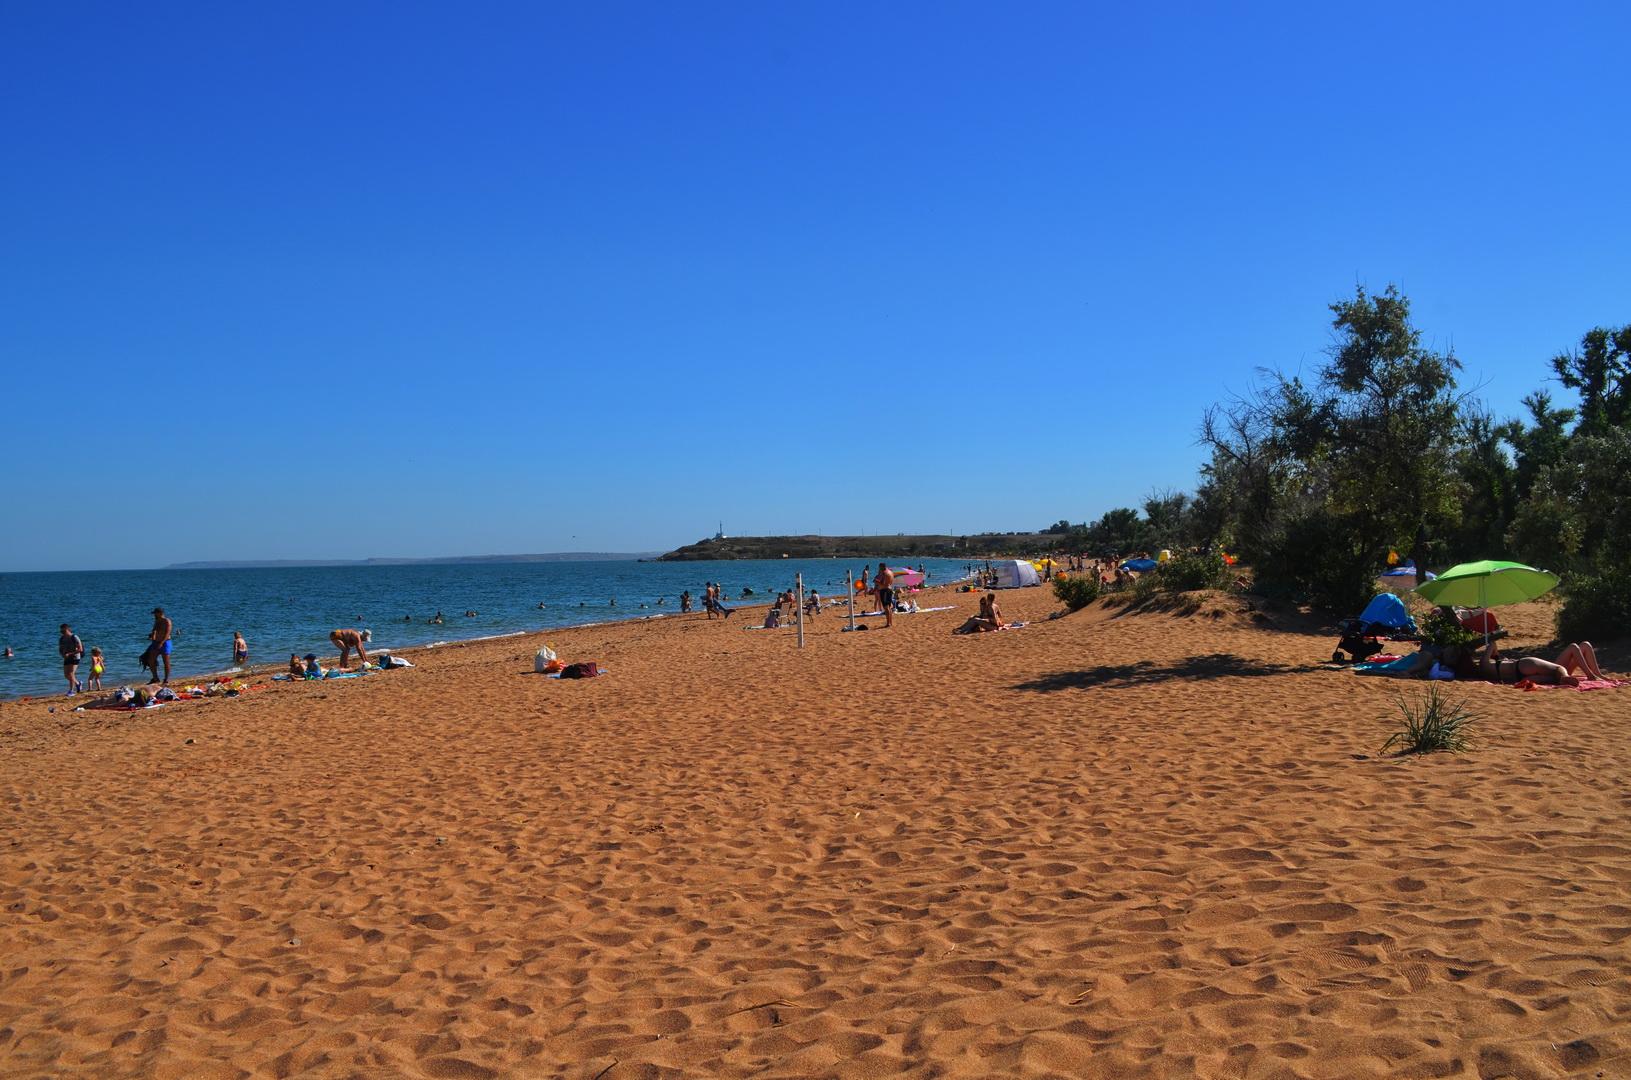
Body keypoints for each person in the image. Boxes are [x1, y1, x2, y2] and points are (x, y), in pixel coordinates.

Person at [1479, 639, 1606, 687]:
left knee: (1584, 645)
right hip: (1524, 664)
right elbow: (1492, 642)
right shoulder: (1483, 664)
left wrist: (1498, 657)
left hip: (1521, 677)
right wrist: (1494, 653)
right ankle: (1591, 675)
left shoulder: (1487, 673)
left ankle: (1596, 675)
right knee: (1560, 664)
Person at [149, 608, 172, 685]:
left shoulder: (167, 621)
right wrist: (153, 638)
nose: (154, 615)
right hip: (156, 642)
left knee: (166, 661)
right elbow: (154, 630)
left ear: (159, 613)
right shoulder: (157, 621)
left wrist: (161, 643)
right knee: (151, 660)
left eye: (155, 614)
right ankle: (155, 678)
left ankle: (166, 679)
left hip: (165, 642)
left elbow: (167, 633)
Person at [59, 623, 84, 694]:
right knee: (66, 675)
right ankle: (78, 683)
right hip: (66, 657)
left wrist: (70, 654)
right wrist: (62, 654)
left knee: (71, 673)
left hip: (75, 657)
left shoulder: (74, 637)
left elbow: (80, 649)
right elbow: (60, 648)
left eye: (64, 631)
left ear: (68, 629)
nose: (63, 633)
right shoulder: (62, 639)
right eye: (61, 632)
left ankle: (71, 691)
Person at [874, 563, 895, 628]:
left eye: (880, 567)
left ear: (882, 567)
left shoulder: (884, 573)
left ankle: (888, 623)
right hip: (889, 590)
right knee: (889, 607)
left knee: (886, 607)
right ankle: (890, 622)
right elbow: (890, 582)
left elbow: (882, 583)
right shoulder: (891, 572)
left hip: (885, 590)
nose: (879, 569)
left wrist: (876, 581)